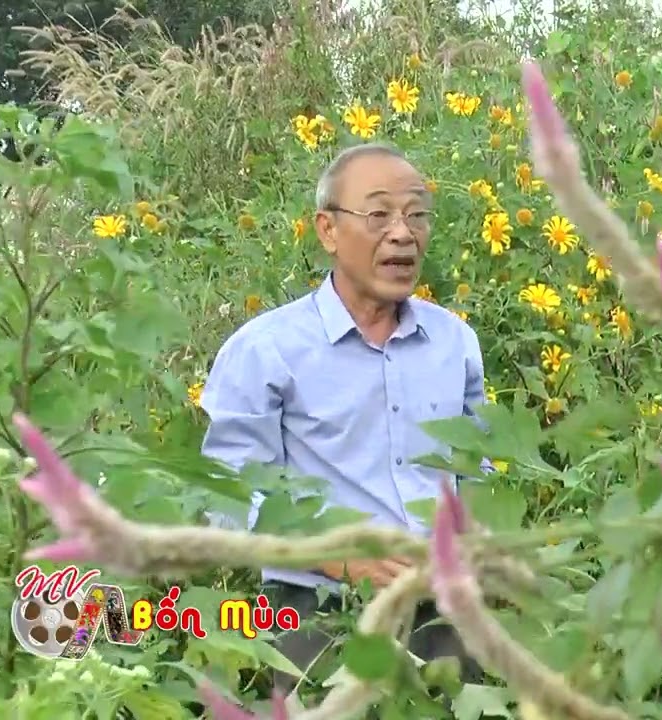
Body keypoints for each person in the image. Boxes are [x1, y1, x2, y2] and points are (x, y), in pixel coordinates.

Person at [200, 143, 486, 696]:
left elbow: (477, 471)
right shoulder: (267, 350)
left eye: (417, 214)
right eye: (378, 215)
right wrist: (335, 557)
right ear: (328, 230)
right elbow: (223, 499)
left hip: (442, 615)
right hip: (315, 616)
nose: (403, 233)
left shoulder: (455, 342)